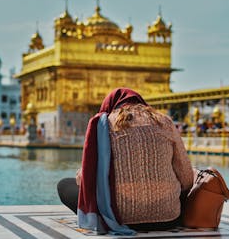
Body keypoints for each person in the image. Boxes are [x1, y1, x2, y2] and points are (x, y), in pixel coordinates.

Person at [57, 87, 193, 235]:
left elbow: (87, 179)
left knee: (64, 185)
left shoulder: (103, 124)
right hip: (168, 218)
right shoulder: (165, 122)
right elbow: (187, 179)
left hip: (119, 217)